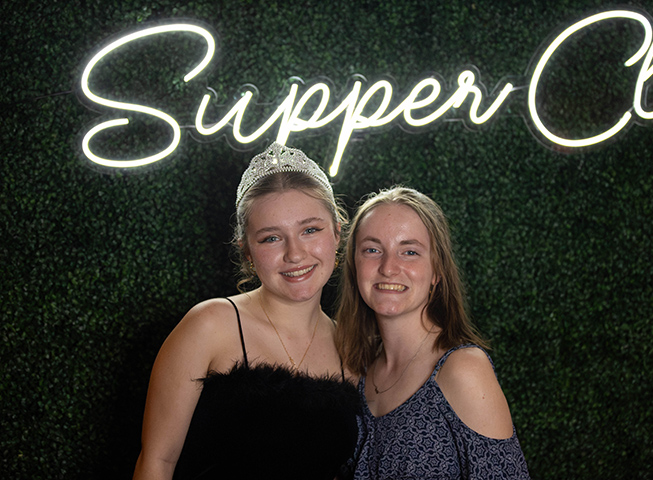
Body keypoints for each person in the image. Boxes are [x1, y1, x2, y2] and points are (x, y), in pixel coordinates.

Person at [133, 143, 361, 480]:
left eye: (310, 230)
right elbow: (157, 463)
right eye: (271, 238)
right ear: (247, 251)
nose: (295, 254)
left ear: (337, 233)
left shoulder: (352, 349)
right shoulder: (210, 325)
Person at [335, 186, 530, 479]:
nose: (389, 268)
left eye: (410, 251)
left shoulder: (462, 369)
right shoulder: (356, 374)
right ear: (354, 265)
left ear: (437, 271)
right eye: (373, 250)